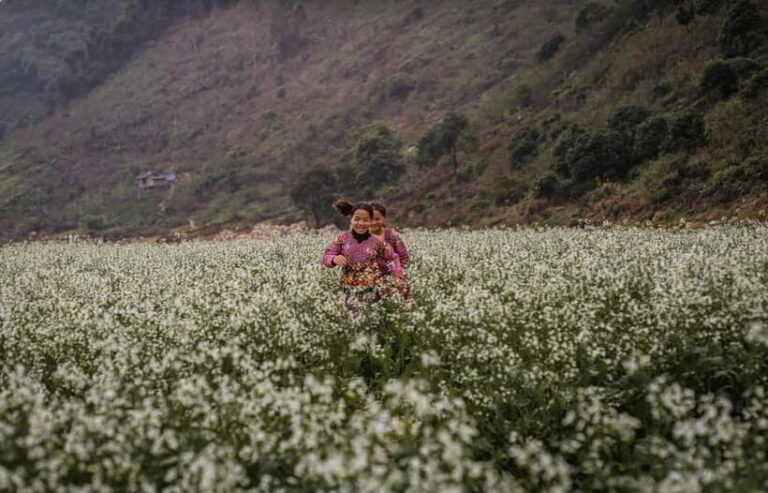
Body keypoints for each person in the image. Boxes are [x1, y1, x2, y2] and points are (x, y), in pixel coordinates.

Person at [322, 200, 402, 305]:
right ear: (351, 219)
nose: (361, 223)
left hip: (373, 294)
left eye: (365, 220)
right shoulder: (342, 238)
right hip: (349, 292)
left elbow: (393, 258)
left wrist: (395, 276)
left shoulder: (378, 242)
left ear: (370, 221)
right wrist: (334, 259)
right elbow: (327, 255)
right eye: (357, 219)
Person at [369, 202, 411, 302]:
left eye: (377, 219)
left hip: (394, 278)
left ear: (384, 219)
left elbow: (404, 257)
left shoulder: (392, 235)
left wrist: (397, 274)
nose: (374, 222)